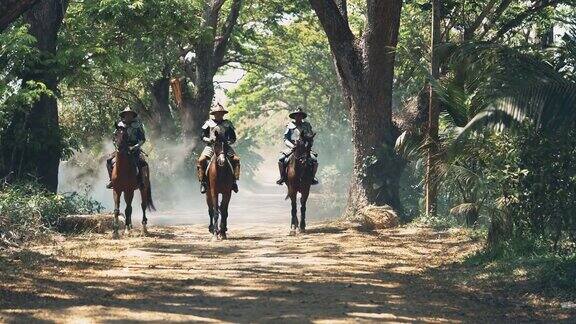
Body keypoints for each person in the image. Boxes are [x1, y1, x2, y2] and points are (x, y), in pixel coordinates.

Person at [197, 103, 241, 194]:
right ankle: (203, 182)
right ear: (214, 114)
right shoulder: (208, 123)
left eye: (221, 113)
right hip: (211, 146)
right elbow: (202, 136)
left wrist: (228, 142)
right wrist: (209, 139)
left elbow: (233, 137)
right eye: (217, 113)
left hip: (225, 146)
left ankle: (234, 182)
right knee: (201, 160)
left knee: (236, 160)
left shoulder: (227, 123)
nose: (219, 115)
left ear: (223, 114)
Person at [106, 107, 147, 189]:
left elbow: (142, 139)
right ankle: (112, 180)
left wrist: (135, 147)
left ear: (133, 116)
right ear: (124, 116)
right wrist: (117, 145)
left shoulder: (137, 126)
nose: (128, 116)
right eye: (126, 115)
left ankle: (141, 181)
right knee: (109, 161)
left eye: (130, 115)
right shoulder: (119, 125)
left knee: (142, 163)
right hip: (121, 148)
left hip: (134, 148)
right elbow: (114, 138)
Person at [277, 107, 319, 185]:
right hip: (292, 147)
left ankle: (312, 178)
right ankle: (282, 177)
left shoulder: (307, 126)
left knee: (314, 160)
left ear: (302, 117)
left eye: (300, 115)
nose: (298, 117)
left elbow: (310, 138)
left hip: (305, 148)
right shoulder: (290, 126)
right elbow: (285, 138)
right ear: (294, 116)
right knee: (281, 159)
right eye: (297, 115)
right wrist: (292, 146)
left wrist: (307, 146)